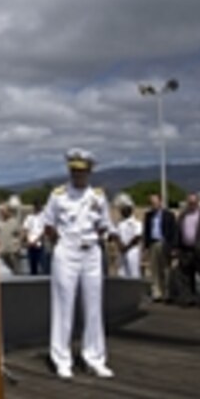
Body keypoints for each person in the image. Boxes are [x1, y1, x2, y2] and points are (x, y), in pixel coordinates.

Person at [42, 148, 114, 379]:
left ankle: (94, 357)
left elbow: (105, 224)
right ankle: (62, 359)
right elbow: (48, 224)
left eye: (82, 171)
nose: (77, 175)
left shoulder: (98, 196)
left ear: (90, 172)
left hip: (91, 250)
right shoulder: (58, 195)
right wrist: (61, 244)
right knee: (64, 306)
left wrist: (102, 237)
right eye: (74, 171)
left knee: (93, 306)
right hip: (67, 248)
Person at [143, 194, 177, 302]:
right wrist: (146, 247)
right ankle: (157, 293)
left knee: (166, 270)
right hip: (153, 244)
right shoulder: (148, 216)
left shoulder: (169, 215)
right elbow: (146, 232)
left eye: (155, 202)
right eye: (151, 203)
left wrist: (173, 247)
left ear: (160, 202)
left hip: (164, 244)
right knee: (154, 270)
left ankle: (167, 293)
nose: (154, 205)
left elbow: (174, 232)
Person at [112, 195, 142, 278]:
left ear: (130, 210)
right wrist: (119, 245)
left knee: (133, 273)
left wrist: (126, 247)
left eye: (124, 209)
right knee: (121, 273)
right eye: (122, 209)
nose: (122, 211)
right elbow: (115, 234)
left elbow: (138, 236)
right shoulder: (119, 223)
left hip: (132, 250)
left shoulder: (136, 222)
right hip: (121, 250)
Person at [22, 201, 47, 275]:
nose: (36, 208)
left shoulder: (43, 217)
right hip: (30, 244)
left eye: (38, 207)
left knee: (43, 265)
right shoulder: (29, 217)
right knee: (32, 265)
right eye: (35, 207)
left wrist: (36, 240)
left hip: (40, 243)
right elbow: (25, 229)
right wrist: (28, 240)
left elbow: (44, 230)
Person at [0, 205, 22, 274]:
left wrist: (18, 246)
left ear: (9, 212)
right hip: (2, 253)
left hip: (12, 252)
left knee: (16, 272)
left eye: (4, 211)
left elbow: (20, 235)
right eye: (1, 211)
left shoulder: (14, 222)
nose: (2, 213)